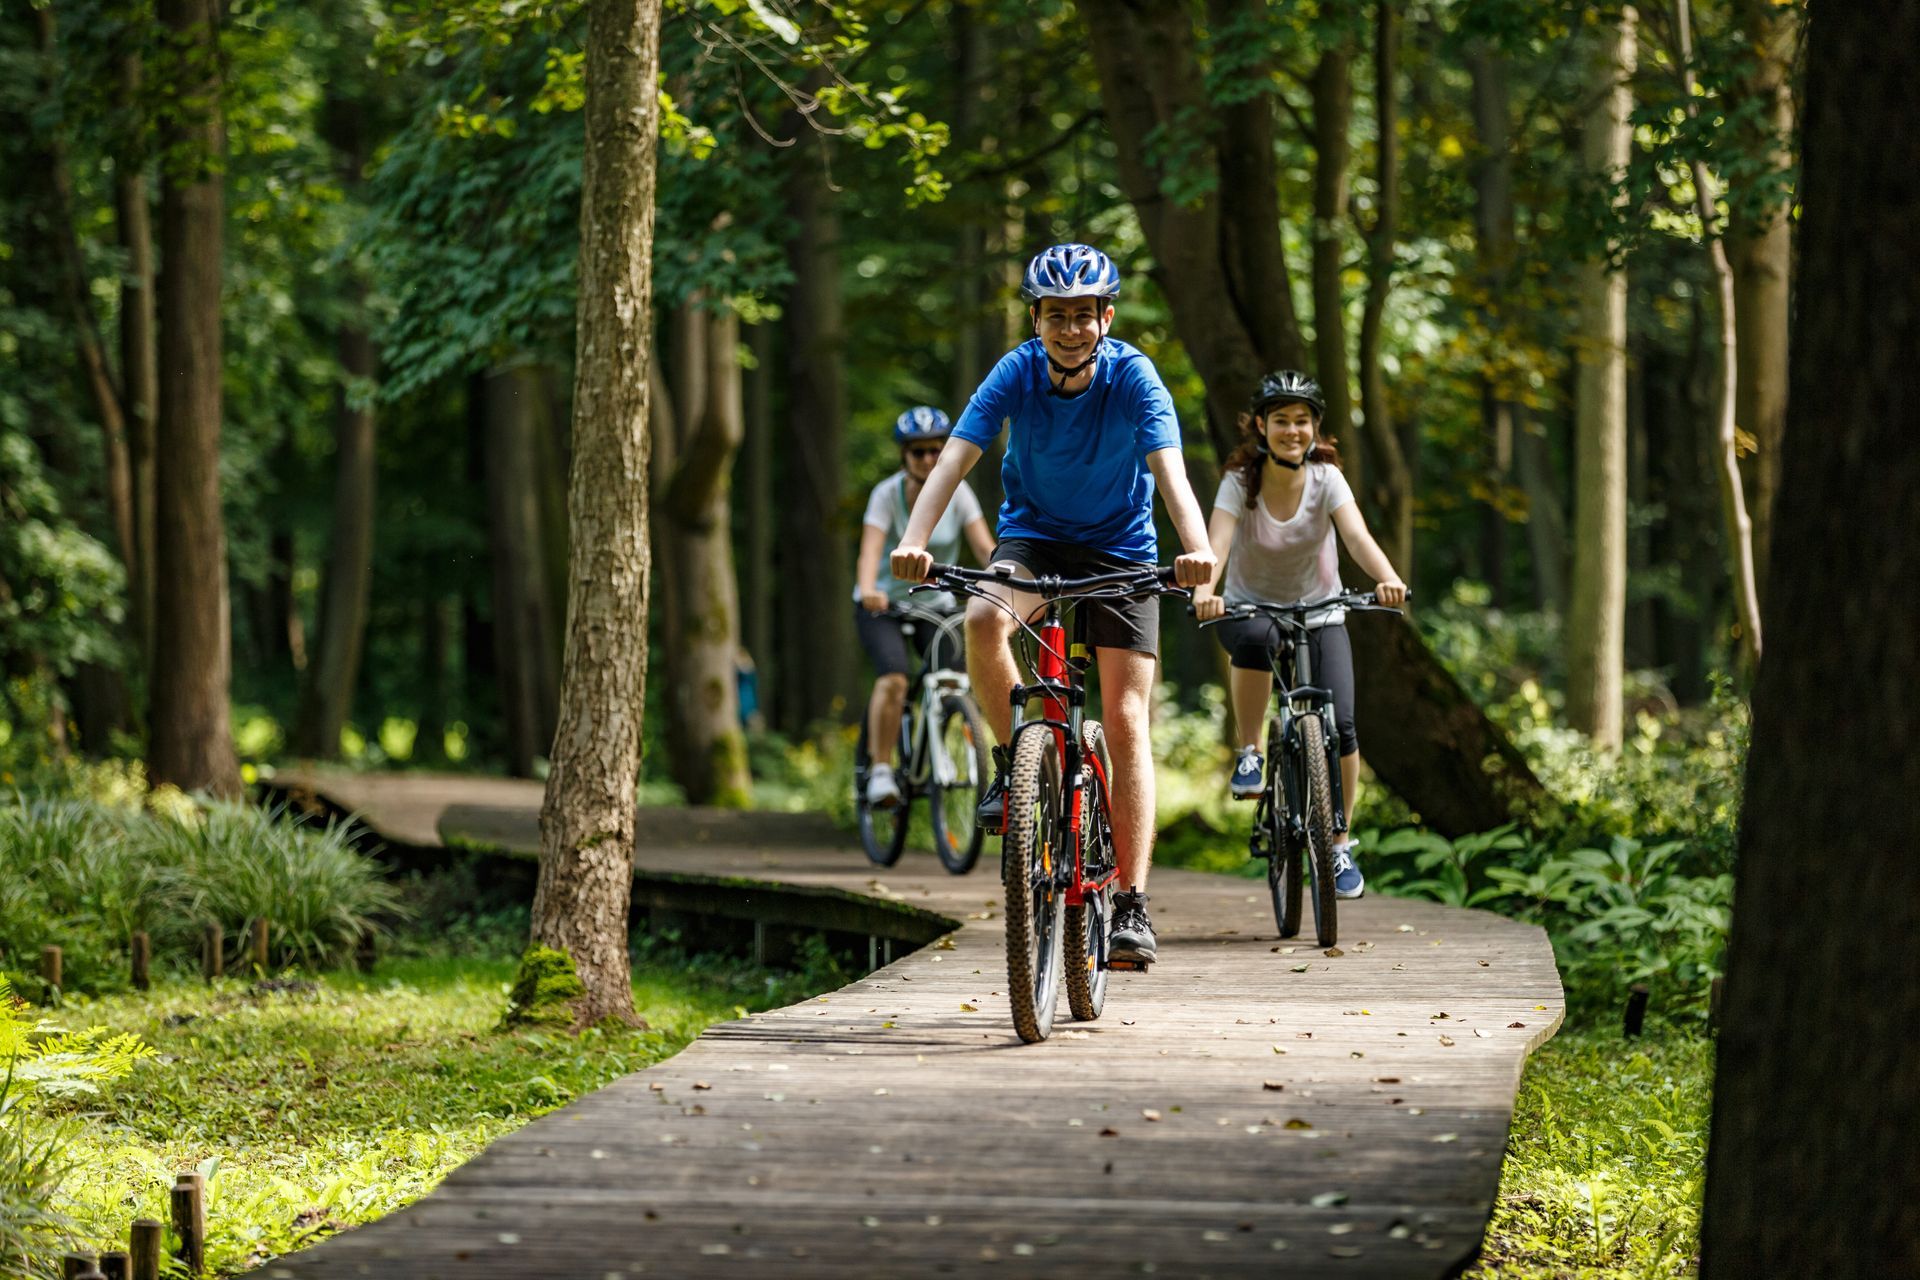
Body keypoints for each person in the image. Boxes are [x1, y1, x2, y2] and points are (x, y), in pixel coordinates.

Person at [890, 243, 1216, 966]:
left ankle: (1130, 904)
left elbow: (1172, 473)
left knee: (1125, 718)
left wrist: (1196, 550)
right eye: (1055, 315)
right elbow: (954, 459)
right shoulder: (1016, 371)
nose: (1069, 328)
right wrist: (914, 539)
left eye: (1083, 315)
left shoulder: (1134, 375)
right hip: (1032, 539)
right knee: (981, 618)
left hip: (1122, 550)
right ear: (1036, 318)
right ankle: (1017, 766)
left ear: (1106, 316)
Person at [1190, 370, 1407, 900]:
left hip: (1320, 610)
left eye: (1302, 421)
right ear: (1261, 427)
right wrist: (1205, 591)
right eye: (1281, 421)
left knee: (1346, 725)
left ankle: (1338, 844)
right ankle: (1249, 752)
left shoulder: (1327, 479)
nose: (1293, 430)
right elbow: (1216, 543)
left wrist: (1387, 577)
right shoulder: (1241, 482)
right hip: (1248, 608)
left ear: (1316, 428)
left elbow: (1356, 534)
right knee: (1257, 638)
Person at [853, 407, 996, 808]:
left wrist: (1001, 578)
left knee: (953, 680)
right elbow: (870, 553)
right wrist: (868, 588)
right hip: (884, 605)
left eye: (937, 450)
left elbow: (985, 548)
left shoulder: (959, 493)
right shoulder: (886, 494)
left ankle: (940, 743)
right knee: (895, 678)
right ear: (905, 456)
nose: (929, 460)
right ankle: (881, 768)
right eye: (919, 452)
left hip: (936, 604)